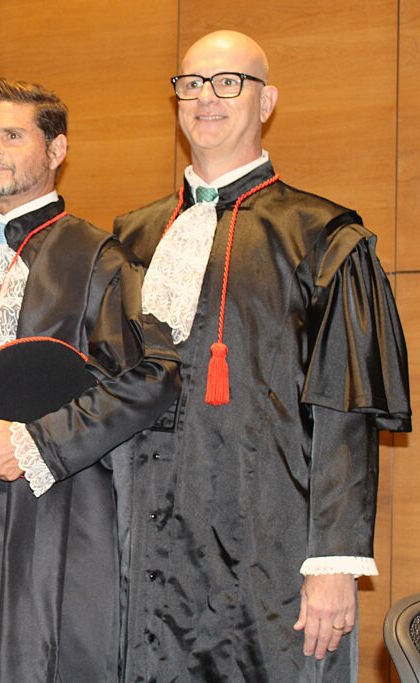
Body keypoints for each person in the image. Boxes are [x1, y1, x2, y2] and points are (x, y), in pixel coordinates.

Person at [113, 30, 411, 682]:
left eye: (229, 83)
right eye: (191, 84)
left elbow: (344, 413)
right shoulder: (131, 237)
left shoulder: (322, 236)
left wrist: (333, 563)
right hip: (146, 546)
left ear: (266, 100)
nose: (206, 98)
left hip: (269, 549)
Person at [0, 78, 181, 681]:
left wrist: (38, 443)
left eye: (12, 136)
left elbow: (153, 376)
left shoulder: (97, 258)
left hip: (50, 518)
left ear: (56, 150)